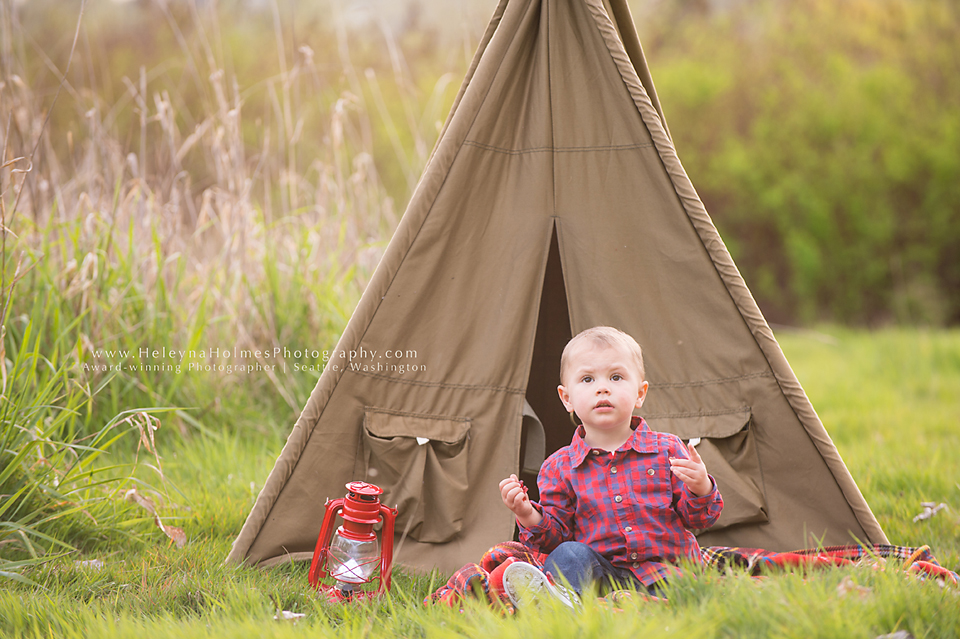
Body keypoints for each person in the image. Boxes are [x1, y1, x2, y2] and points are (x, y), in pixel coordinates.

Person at [498, 326, 723, 606]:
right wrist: (527, 513)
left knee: (686, 593)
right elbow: (555, 539)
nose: (602, 387)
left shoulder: (668, 449)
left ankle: (641, 606)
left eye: (616, 377)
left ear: (640, 393)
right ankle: (566, 603)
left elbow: (699, 520)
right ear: (566, 398)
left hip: (666, 575)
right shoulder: (558, 467)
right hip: (601, 575)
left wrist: (701, 487)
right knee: (568, 555)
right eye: (587, 379)